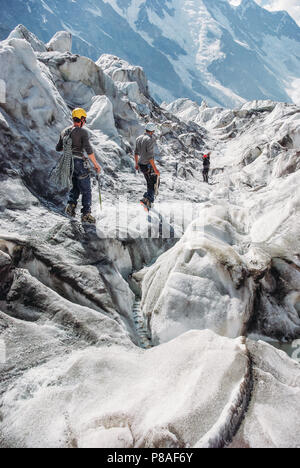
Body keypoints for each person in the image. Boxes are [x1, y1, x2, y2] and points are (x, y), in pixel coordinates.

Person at [56, 108, 101, 224]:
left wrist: (69, 146)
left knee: (75, 186)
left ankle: (71, 205)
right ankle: (86, 214)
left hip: (68, 163)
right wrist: (96, 165)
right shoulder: (82, 132)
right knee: (86, 189)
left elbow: (58, 148)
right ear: (81, 119)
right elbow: (88, 150)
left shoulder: (64, 131)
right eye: (84, 120)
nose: (84, 122)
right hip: (79, 162)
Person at [134, 122, 160, 210]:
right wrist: (155, 169)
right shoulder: (150, 139)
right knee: (154, 182)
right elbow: (150, 157)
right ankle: (148, 201)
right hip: (148, 165)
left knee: (149, 182)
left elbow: (136, 153)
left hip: (141, 165)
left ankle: (146, 198)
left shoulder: (138, 138)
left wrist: (136, 164)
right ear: (152, 131)